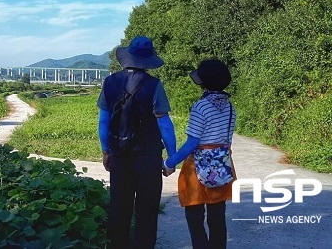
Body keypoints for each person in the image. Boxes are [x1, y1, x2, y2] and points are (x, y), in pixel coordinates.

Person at [97, 36, 177, 249]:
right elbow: (165, 125)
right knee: (147, 209)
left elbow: (103, 122)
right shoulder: (154, 85)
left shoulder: (110, 82)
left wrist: (106, 151)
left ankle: (117, 245)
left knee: (119, 206)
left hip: (119, 154)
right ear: (148, 59)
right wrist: (171, 157)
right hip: (148, 157)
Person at [162, 59, 237, 249]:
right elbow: (226, 141)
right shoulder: (230, 108)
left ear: (203, 81)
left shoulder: (201, 107)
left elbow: (192, 143)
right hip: (222, 167)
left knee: (194, 217)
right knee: (217, 216)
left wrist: (170, 162)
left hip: (198, 168)